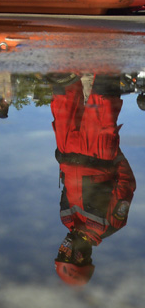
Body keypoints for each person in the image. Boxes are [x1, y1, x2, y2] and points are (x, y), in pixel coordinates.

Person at [50, 73, 136, 286]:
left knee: (62, 88)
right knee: (104, 91)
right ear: (81, 258)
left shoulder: (66, 220)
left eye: (60, 253)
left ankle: (66, 49)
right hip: (97, 152)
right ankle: (108, 49)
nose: (63, 249)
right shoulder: (110, 226)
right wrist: (114, 155)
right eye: (66, 255)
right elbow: (126, 184)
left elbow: (66, 186)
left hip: (66, 148)